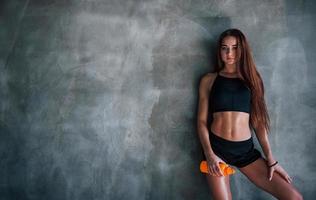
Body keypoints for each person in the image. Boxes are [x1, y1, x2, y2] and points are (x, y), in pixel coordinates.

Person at [197, 28, 303, 200]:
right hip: (217, 150)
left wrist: (271, 158)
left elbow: (259, 122)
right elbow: (201, 122)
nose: (229, 53)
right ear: (220, 51)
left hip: (245, 152)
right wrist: (209, 154)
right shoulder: (209, 80)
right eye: (224, 48)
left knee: (294, 197)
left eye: (235, 47)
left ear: (242, 49)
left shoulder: (253, 80)